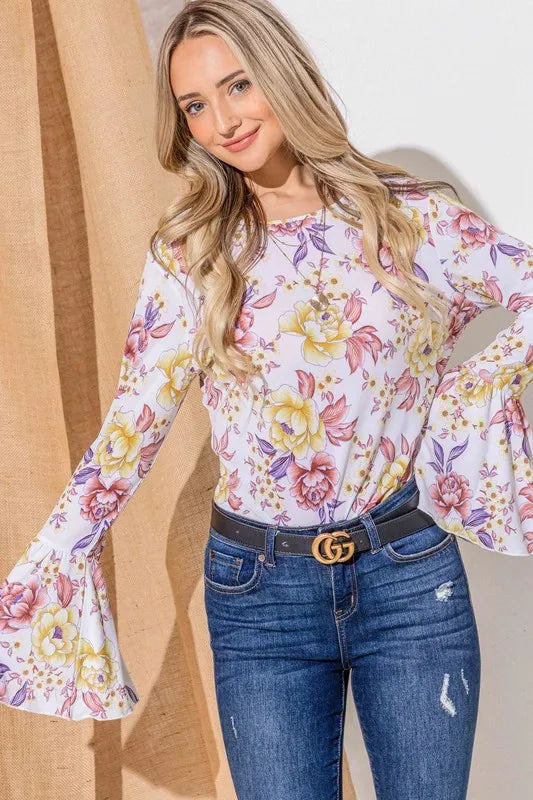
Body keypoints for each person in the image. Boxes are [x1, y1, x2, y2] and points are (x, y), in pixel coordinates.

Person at [1, 0, 532, 796]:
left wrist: (466, 401)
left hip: (408, 578)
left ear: (281, 73)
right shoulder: (192, 250)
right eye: (194, 105)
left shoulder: (410, 220)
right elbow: (135, 420)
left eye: (237, 85)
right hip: (258, 594)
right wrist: (54, 556)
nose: (222, 121)